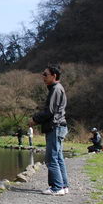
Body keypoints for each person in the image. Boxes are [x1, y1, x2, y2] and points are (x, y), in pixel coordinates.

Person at [30, 65, 69, 195]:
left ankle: (57, 187)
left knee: (51, 158)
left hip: (55, 127)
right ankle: (63, 186)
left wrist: (34, 120)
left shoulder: (56, 89)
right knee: (58, 158)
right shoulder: (57, 89)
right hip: (58, 127)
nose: (43, 77)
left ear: (54, 76)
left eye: (45, 75)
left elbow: (49, 112)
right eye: (43, 74)